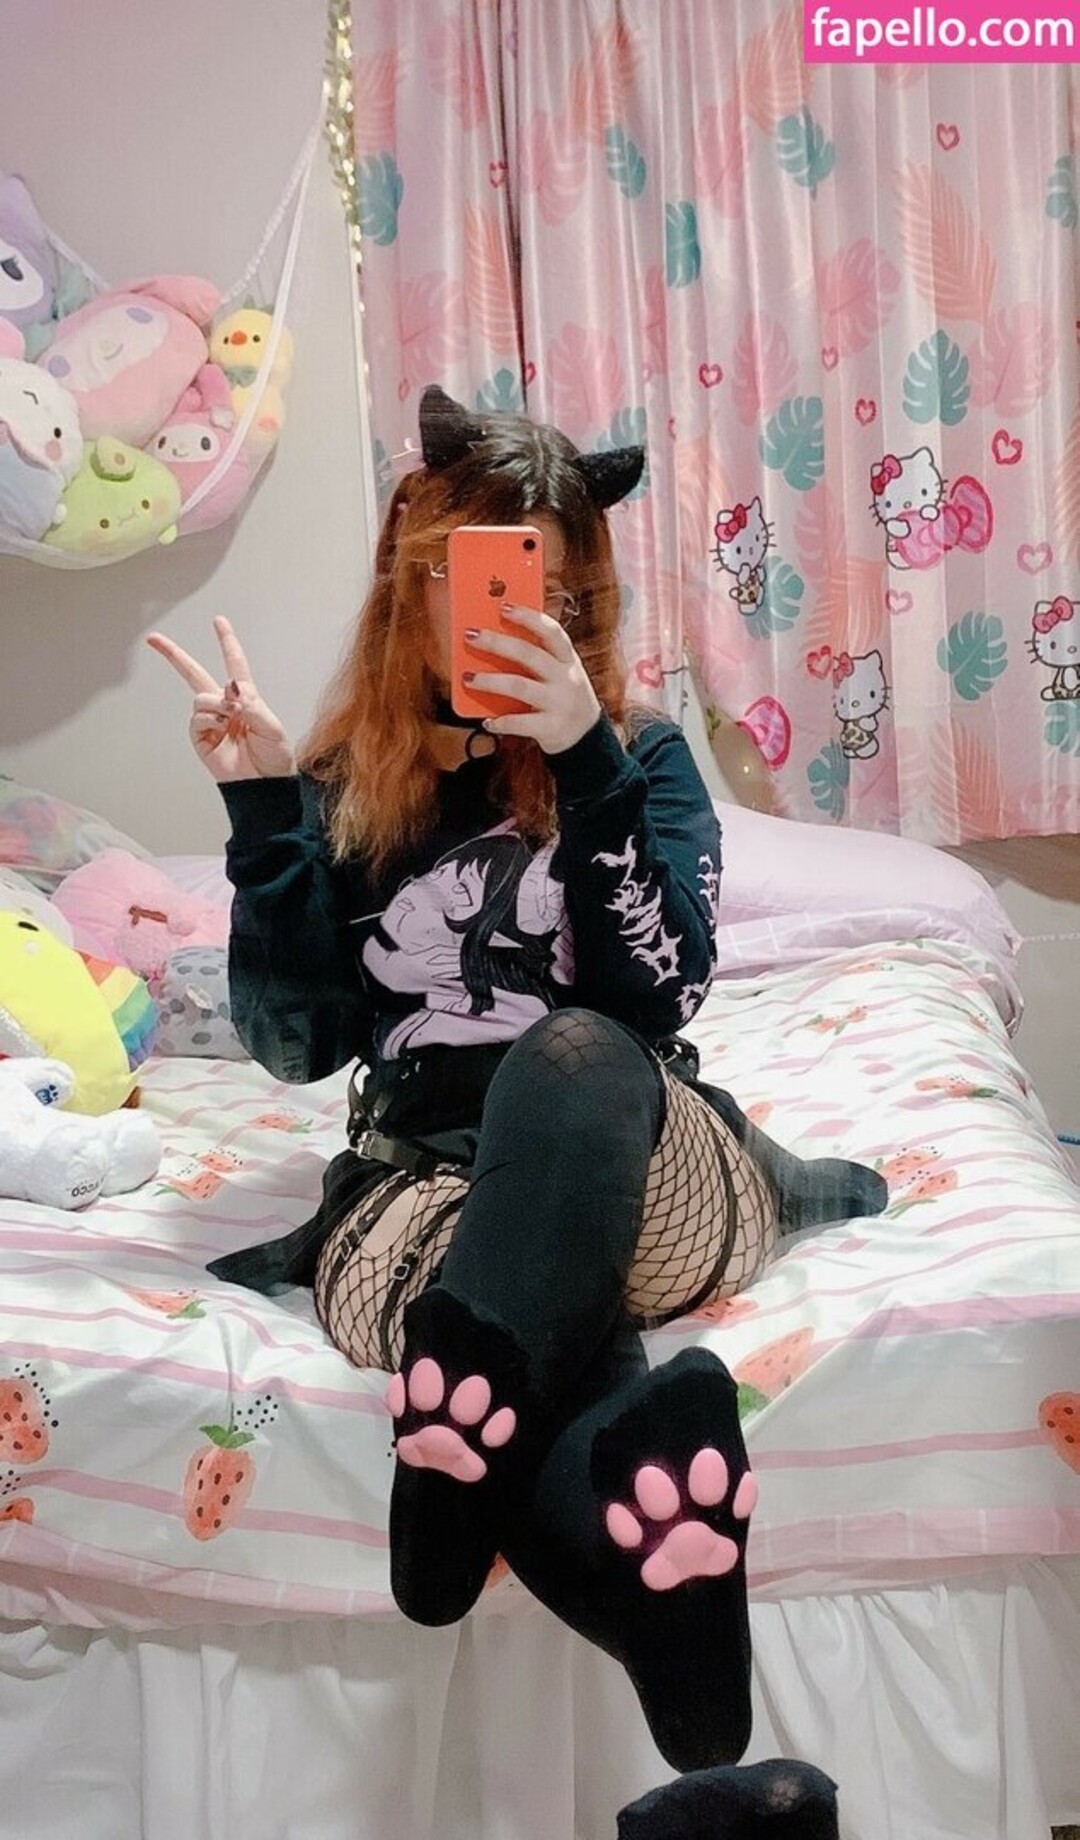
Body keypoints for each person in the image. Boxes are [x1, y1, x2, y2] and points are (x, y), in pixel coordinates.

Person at [150, 385, 886, 1773]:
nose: (504, 608)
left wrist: (587, 765)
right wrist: (263, 819)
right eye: (474, 571)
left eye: (543, 581)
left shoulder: (641, 756)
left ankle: (446, 1489)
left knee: (572, 1056)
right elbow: (298, 1046)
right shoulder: (346, 784)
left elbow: (660, 994)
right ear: (414, 578)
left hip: (649, 1169)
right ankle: (690, 1689)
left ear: (578, 599)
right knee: (533, 1298)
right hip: (424, 1201)